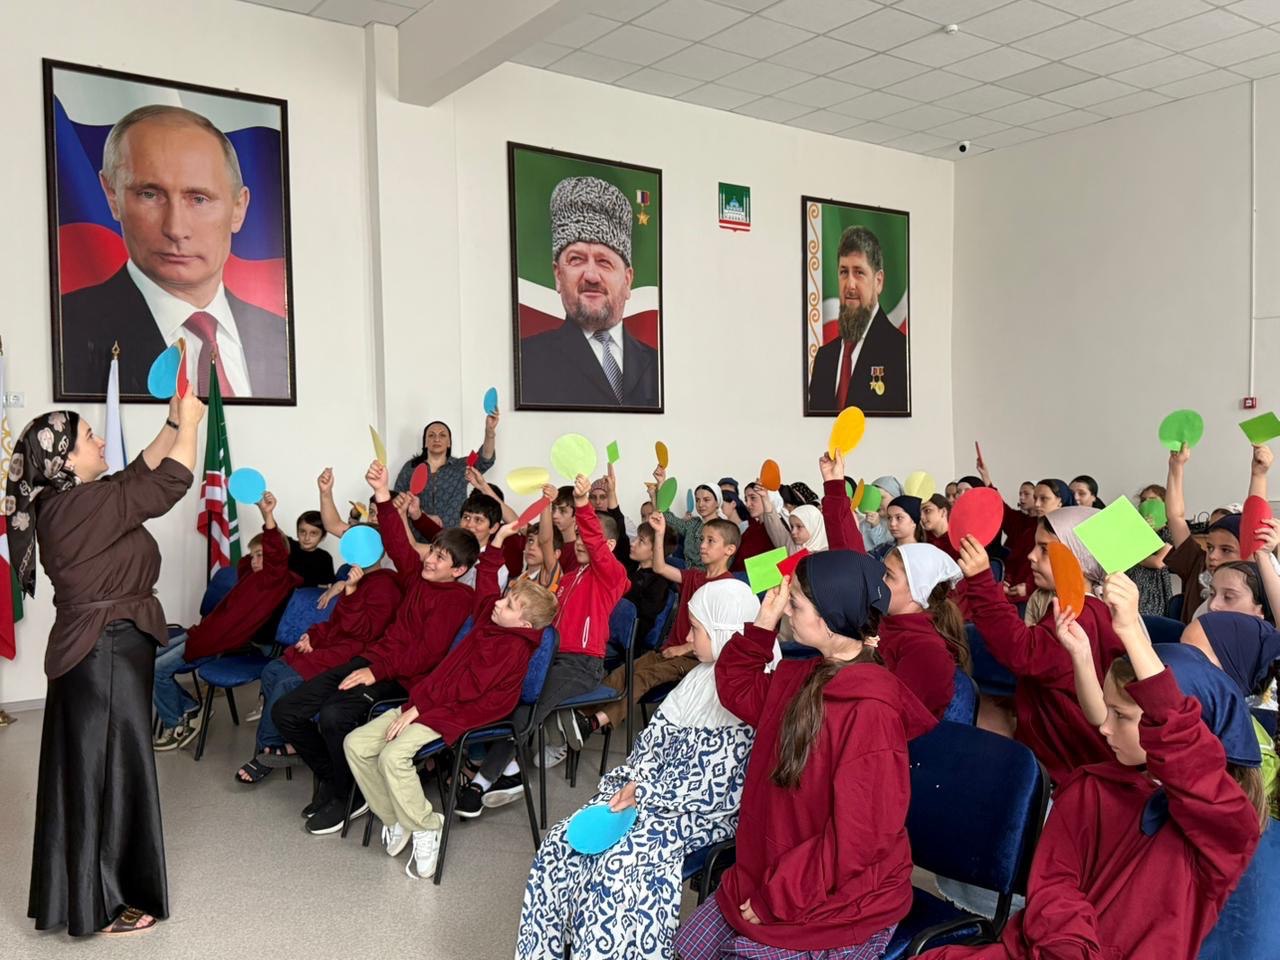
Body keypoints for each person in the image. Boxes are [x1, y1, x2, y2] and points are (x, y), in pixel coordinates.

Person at [926, 574, 1266, 960]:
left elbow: (1182, 745)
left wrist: (1133, 634)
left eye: (1121, 716)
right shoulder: (1092, 787)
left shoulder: (1223, 825)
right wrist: (1069, 949)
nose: (1104, 727)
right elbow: (1055, 885)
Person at [675, 552, 936, 957]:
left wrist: (777, 897)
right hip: (772, 869)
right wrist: (763, 623)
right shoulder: (804, 676)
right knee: (688, 946)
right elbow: (737, 689)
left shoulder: (870, 714)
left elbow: (858, 842)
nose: (786, 610)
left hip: (831, 895)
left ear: (830, 619)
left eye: (794, 603)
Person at [14, 392, 205, 936]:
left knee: (96, 771)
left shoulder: (74, 499)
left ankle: (89, 898)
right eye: (88, 438)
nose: (101, 440)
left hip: (105, 648)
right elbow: (167, 482)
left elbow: (136, 473)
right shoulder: (78, 507)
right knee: (113, 773)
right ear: (65, 461)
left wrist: (172, 421)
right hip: (107, 652)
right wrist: (193, 425)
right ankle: (108, 904)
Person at [517, 580, 767, 959]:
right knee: (560, 844)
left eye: (695, 630)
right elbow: (650, 748)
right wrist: (633, 781)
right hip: (652, 794)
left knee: (616, 868)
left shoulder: (753, 692)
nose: (688, 638)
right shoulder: (699, 677)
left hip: (698, 815)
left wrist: (644, 792)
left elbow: (716, 790)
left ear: (723, 632)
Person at [272, 460, 476, 836]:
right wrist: (382, 493)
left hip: (400, 679)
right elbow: (397, 545)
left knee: (334, 716)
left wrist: (376, 671)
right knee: (286, 712)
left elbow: (428, 653)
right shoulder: (419, 578)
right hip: (372, 661)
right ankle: (340, 782)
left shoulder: (458, 599)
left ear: (459, 570)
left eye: (440, 558)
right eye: (432, 551)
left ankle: (345, 796)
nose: (429, 559)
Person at [344, 519, 557, 879]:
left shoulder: (512, 647)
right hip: (434, 699)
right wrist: (498, 543)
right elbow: (487, 585)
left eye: (509, 605)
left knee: (393, 756)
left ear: (524, 625)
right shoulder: (495, 619)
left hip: (464, 711)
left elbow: (468, 690)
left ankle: (427, 826)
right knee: (356, 744)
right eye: (506, 597)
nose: (498, 603)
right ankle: (397, 818)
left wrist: (418, 709)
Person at [59, 105, 289, 399]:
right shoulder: (68, 331)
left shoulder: (280, 335)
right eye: (150, 195)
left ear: (238, 208)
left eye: (199, 199)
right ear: (112, 196)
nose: (176, 229)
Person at [461, 475, 629, 814]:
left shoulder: (612, 576)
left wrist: (582, 505)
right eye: (578, 533)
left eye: (587, 535)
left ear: (608, 546)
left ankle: (481, 783)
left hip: (582, 664)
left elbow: (595, 545)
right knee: (505, 693)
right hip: (549, 657)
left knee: (529, 706)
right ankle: (511, 769)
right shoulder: (568, 578)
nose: (580, 541)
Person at [955, 508, 1126, 786]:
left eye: (1045, 549)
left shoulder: (1081, 615)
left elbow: (1021, 651)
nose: (1031, 556)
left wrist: (981, 581)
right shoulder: (1085, 606)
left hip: (1067, 764)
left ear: (1078, 558)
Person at [565, 512, 740, 751]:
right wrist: (659, 534)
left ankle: (592, 723)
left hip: (695, 659)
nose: (702, 545)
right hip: (668, 650)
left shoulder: (729, 588)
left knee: (642, 678)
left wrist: (684, 648)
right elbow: (659, 566)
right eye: (702, 539)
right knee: (621, 673)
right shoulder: (694, 577)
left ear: (729, 550)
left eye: (711, 541)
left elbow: (723, 637)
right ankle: (577, 717)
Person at [152, 494, 301, 750]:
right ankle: (189, 707)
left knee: (156, 670)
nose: (254, 560)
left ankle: (177, 721)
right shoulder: (251, 575)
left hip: (216, 642)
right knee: (150, 658)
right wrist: (256, 551)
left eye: (261, 555)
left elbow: (276, 555)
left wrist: (267, 516)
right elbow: (248, 562)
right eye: (253, 555)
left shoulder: (274, 581)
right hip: (204, 633)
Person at [235, 559, 402, 784]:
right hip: (331, 644)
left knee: (287, 681)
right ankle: (291, 742)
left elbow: (366, 632)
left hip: (353, 654)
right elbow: (334, 623)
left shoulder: (386, 586)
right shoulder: (355, 579)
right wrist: (313, 637)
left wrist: (351, 592)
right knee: (272, 670)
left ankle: (268, 749)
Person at [518, 176, 660, 410]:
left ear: (627, 281)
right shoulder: (526, 361)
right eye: (577, 259)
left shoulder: (659, 366)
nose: (592, 276)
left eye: (604, 262)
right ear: (558, 275)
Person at [806, 225, 909, 415]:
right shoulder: (824, 359)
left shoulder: (901, 354)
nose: (850, 285)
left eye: (859, 272)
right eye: (844, 272)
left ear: (878, 281)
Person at [1165, 443, 1267, 624]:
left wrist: (1258, 475)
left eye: (1226, 550)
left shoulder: (1253, 578)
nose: (1212, 556)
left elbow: (1255, 522)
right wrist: (1176, 467)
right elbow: (1175, 517)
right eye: (1210, 547)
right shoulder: (1197, 564)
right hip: (1191, 641)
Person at [880, 543, 970, 719]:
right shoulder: (888, 623)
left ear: (917, 591)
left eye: (888, 575)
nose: (880, 581)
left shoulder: (927, 652)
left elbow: (896, 718)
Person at [392, 416, 498, 529]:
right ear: (425, 443)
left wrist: (489, 432)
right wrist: (422, 516)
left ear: (449, 443)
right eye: (431, 435)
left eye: (442, 435)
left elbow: (485, 459)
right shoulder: (410, 467)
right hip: (416, 534)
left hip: (452, 535)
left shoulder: (462, 464)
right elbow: (397, 499)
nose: (437, 439)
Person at [730, 481, 791, 571]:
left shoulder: (779, 527)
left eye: (753, 498)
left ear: (768, 498)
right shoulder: (751, 529)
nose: (748, 504)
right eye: (746, 500)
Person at [873, 494, 925, 560]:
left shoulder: (925, 553)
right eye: (889, 518)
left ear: (914, 521)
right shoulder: (882, 550)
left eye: (899, 518)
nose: (892, 523)